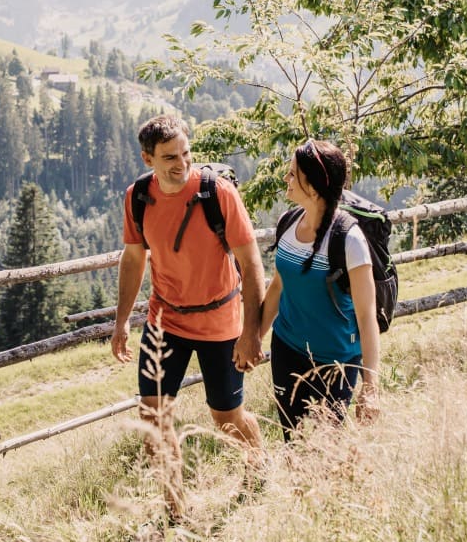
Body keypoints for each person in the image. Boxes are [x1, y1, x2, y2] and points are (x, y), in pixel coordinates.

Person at [111, 114, 265, 515]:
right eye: (169, 158)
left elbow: (251, 264)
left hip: (220, 321)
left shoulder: (219, 194)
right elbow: (133, 258)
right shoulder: (138, 197)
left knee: (226, 417)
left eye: (185, 154)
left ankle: (258, 467)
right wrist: (122, 320)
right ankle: (175, 509)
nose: (181, 164)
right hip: (166, 322)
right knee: (152, 418)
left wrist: (252, 332)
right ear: (148, 159)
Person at [260, 139, 380, 437]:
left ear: (312, 186)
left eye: (292, 174)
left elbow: (367, 317)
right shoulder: (288, 224)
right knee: (292, 439)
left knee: (325, 446)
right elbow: (277, 288)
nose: (286, 179)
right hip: (286, 350)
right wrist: (254, 337)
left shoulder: (349, 240)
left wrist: (371, 385)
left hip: (335, 361)